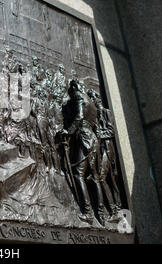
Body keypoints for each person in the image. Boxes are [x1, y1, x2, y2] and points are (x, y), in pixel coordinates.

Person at [62, 80, 105, 225]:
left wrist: (68, 131)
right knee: (95, 176)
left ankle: (87, 212)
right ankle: (101, 214)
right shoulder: (92, 104)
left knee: (78, 174)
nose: (71, 94)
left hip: (85, 138)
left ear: (75, 88)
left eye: (71, 91)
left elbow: (79, 117)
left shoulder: (79, 97)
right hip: (93, 139)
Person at [88, 89, 122, 223]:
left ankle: (116, 210)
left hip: (108, 149)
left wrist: (99, 133)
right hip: (101, 149)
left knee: (106, 178)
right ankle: (115, 210)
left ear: (97, 99)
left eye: (92, 99)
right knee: (105, 178)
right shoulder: (96, 116)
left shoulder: (105, 112)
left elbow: (111, 131)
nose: (91, 102)